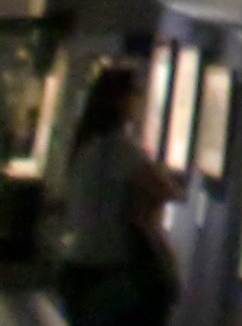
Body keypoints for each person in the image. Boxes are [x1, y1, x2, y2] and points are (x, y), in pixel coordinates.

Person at [59, 67, 181, 326]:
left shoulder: (86, 144)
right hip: (108, 270)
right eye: (135, 93)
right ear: (120, 99)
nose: (139, 100)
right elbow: (165, 188)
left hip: (76, 265)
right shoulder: (118, 148)